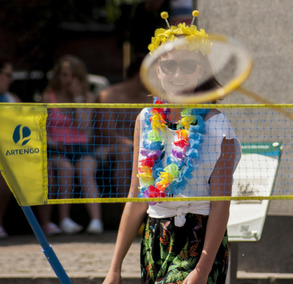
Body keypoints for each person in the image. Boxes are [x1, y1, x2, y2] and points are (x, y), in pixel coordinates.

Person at [103, 11, 241, 284]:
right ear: (157, 69)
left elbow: (221, 206)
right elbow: (136, 197)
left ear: (200, 71)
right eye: (169, 66)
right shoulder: (144, 119)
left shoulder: (218, 127)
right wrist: (114, 269)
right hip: (155, 238)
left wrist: (201, 271)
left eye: (188, 67)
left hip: (199, 239)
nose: (178, 74)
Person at [40, 54, 103, 235]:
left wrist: (78, 100)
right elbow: (41, 129)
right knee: (65, 169)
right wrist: (54, 143)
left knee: (85, 171)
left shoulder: (87, 96)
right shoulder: (48, 97)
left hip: (82, 148)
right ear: (58, 76)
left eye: (74, 76)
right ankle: (64, 219)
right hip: (56, 149)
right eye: (65, 75)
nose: (69, 80)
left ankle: (96, 221)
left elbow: (84, 127)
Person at [95, 53, 153, 197]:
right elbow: (107, 133)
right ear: (141, 75)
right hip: (105, 148)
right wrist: (133, 144)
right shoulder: (108, 96)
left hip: (138, 146)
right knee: (125, 153)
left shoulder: (149, 98)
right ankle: (126, 204)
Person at [0, 58, 21, 238]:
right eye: (7, 75)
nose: (11, 79)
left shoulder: (12, 99)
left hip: (7, 156)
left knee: (6, 179)